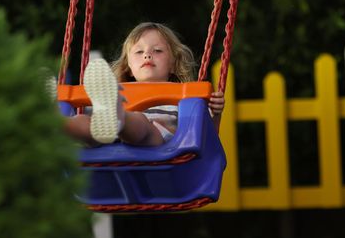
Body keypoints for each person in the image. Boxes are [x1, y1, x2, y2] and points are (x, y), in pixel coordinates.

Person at [64, 22, 225, 147]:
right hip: (114, 140)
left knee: (141, 122)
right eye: (139, 52)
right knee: (86, 122)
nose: (147, 55)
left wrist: (215, 113)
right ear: (129, 67)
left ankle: (119, 118)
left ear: (173, 64)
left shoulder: (183, 97)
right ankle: (55, 124)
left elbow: (207, 139)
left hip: (163, 143)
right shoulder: (121, 94)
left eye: (157, 51)